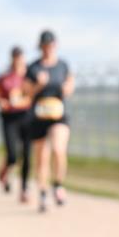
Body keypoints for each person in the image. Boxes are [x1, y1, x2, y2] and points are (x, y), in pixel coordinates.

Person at [25, 30, 73, 213]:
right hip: (39, 116)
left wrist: (66, 87)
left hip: (58, 114)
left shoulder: (62, 66)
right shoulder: (33, 67)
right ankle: (43, 192)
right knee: (41, 158)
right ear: (40, 46)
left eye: (51, 45)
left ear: (55, 45)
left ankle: (58, 185)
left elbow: (69, 86)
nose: (48, 48)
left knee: (59, 150)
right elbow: (26, 93)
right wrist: (38, 85)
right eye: (45, 45)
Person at [0, 46, 34, 202]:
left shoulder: (28, 77)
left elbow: (32, 95)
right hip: (9, 117)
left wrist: (23, 100)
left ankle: (24, 188)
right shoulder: (4, 77)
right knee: (12, 154)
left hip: (26, 116)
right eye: (15, 57)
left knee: (27, 154)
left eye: (20, 57)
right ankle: (5, 170)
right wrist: (2, 102)